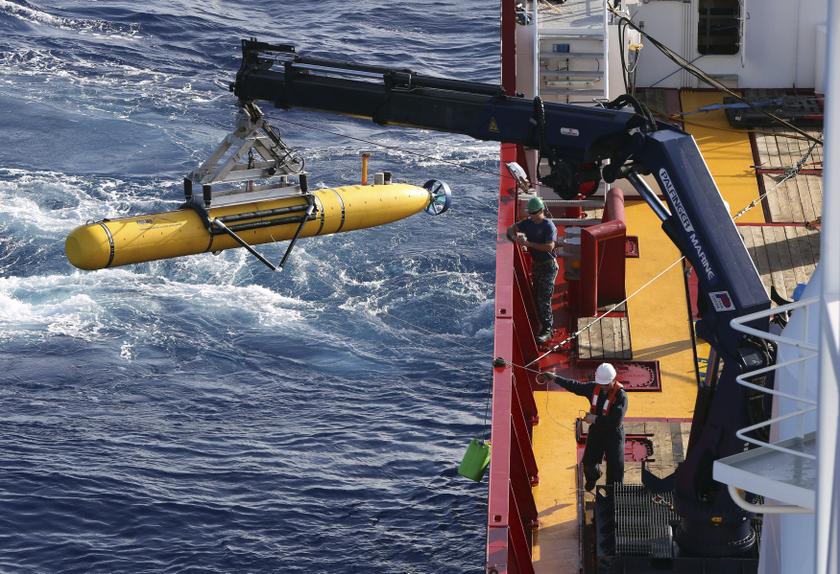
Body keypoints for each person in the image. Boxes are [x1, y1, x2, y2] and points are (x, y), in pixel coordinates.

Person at [537, 363, 626, 491]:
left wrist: (594, 419)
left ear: (613, 380)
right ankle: (593, 476)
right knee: (588, 463)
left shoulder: (621, 396)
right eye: (601, 384)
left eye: (606, 385)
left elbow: (615, 421)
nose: (603, 387)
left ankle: (613, 495)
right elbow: (576, 386)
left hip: (613, 434)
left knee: (615, 468)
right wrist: (555, 378)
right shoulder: (594, 388)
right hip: (597, 431)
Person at [506, 196, 557, 344]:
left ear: (541, 211)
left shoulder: (549, 226)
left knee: (544, 298)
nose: (532, 216)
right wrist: (515, 237)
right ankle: (540, 324)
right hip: (536, 265)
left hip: (548, 266)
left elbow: (550, 247)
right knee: (536, 295)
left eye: (534, 213)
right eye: (530, 213)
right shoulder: (528, 223)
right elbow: (511, 228)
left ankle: (547, 329)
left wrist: (527, 243)